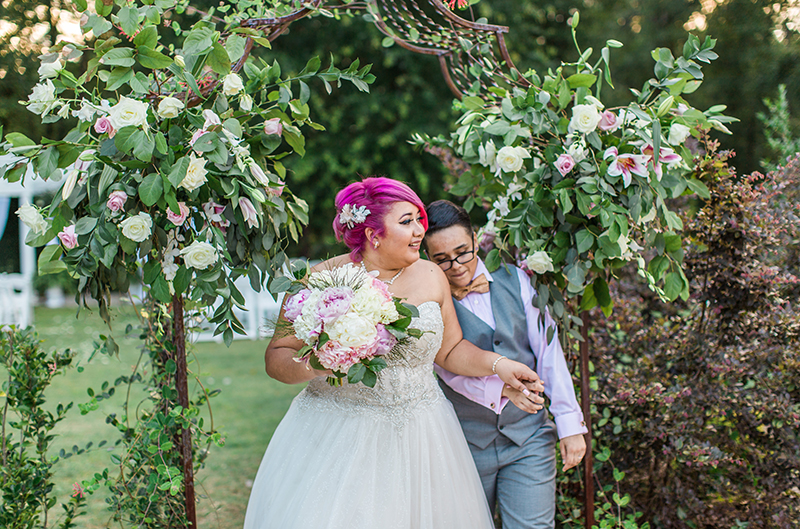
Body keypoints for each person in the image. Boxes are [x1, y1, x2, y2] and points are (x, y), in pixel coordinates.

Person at [243, 178, 545, 529]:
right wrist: (322, 360)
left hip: (423, 433)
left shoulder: (431, 275)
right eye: (407, 221)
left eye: (419, 219)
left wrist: (499, 365)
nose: (420, 230)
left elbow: (450, 350)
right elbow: (276, 357)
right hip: (339, 432)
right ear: (373, 234)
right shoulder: (320, 281)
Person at [423, 199, 588, 529]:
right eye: (442, 260)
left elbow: (548, 352)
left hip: (528, 438)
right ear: (428, 259)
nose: (456, 266)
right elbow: (448, 369)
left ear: (475, 240)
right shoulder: (428, 301)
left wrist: (569, 423)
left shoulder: (515, 279)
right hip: (463, 443)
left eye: (462, 252)